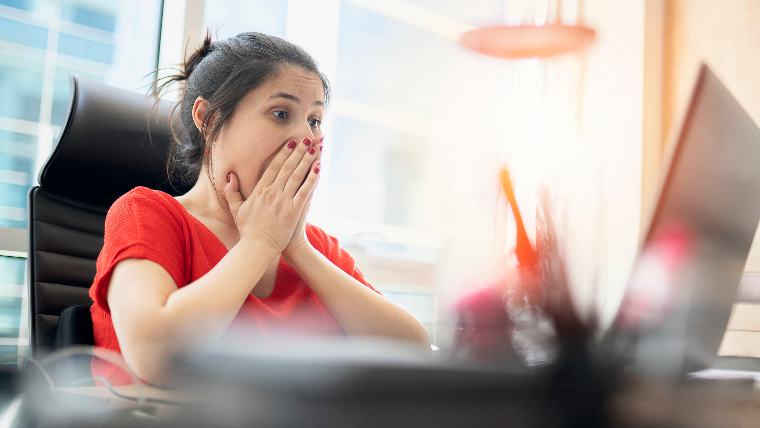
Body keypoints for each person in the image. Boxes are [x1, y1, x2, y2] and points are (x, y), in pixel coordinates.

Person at [88, 32, 430, 386]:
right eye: (281, 113)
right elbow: (157, 356)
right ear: (207, 119)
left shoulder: (316, 246)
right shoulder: (146, 213)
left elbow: (412, 353)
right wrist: (261, 242)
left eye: (314, 120)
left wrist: (295, 248)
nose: (306, 137)